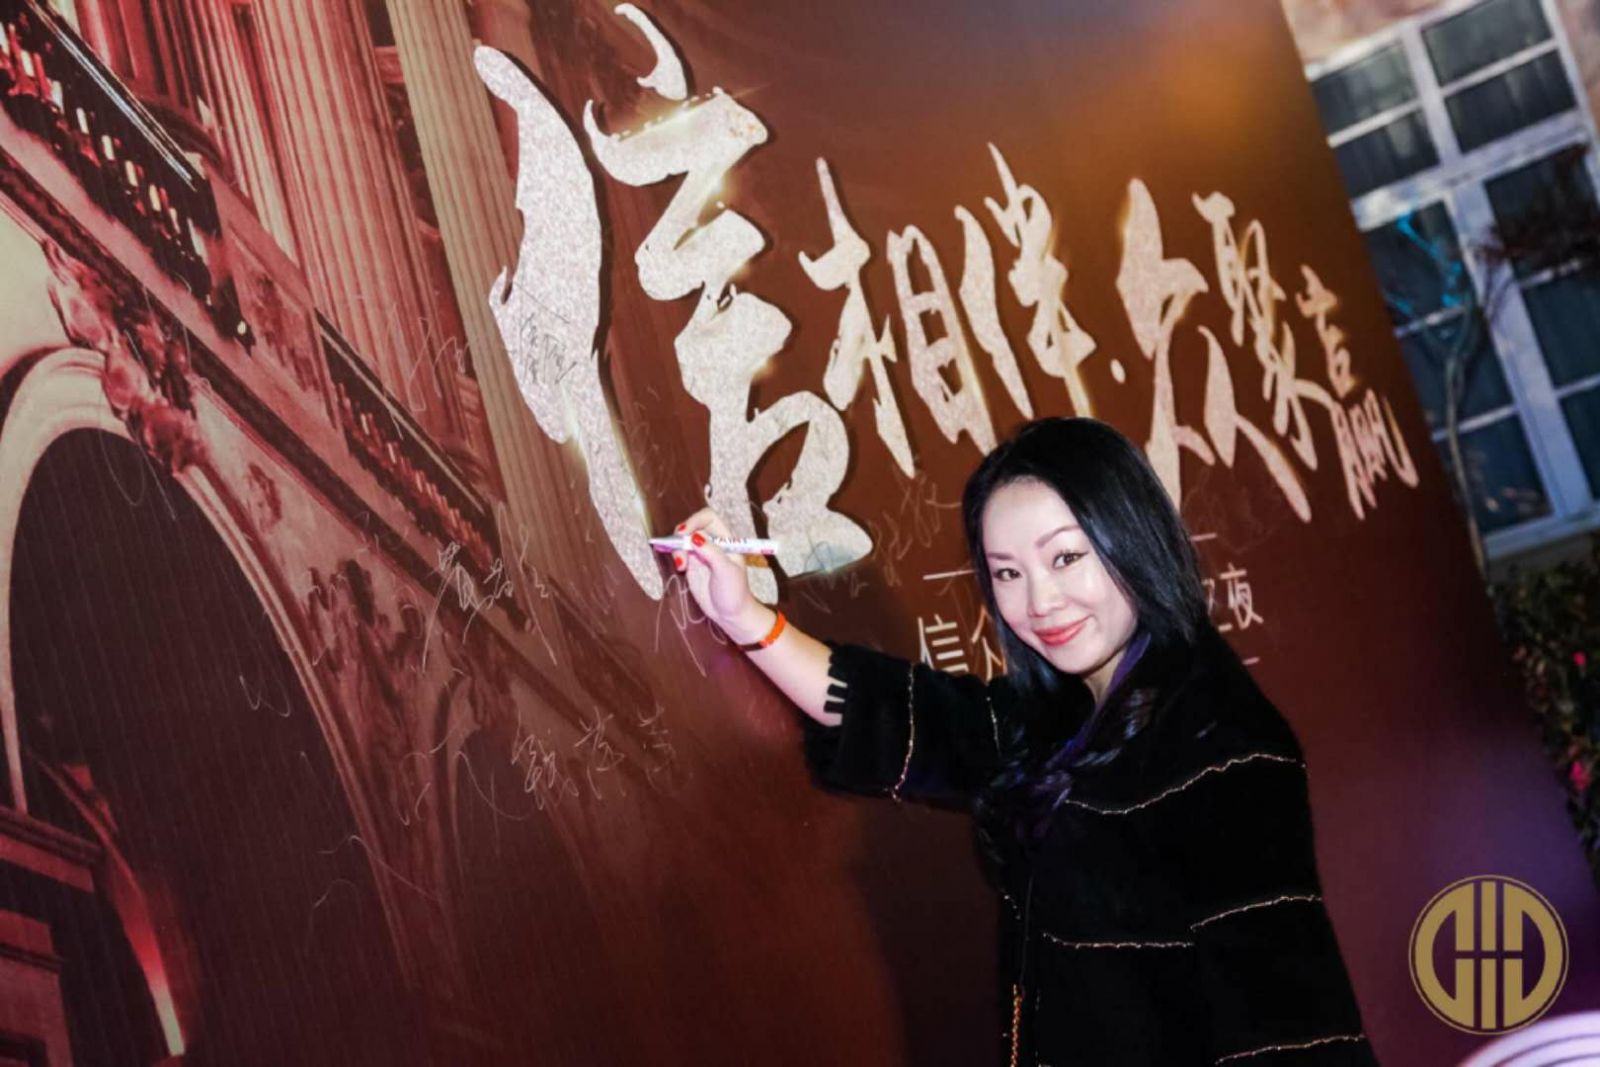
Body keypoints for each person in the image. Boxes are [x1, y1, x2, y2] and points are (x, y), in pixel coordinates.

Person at [670, 417, 1376, 1066]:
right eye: (1008, 572)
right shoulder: (1060, 716)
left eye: (1065, 557)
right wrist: (745, 617)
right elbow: (912, 716)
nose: (1040, 602)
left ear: (1132, 538)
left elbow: (1289, 1031)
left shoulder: (1225, 752)